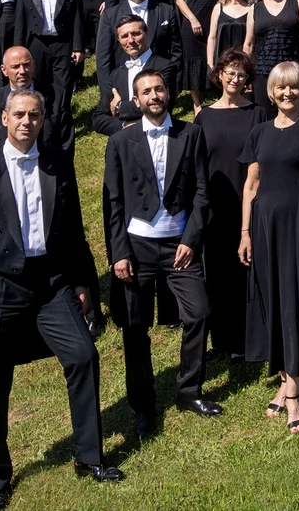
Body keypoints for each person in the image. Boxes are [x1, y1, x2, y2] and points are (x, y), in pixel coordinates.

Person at [0, 90, 120, 504]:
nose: (27, 121)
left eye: (35, 115)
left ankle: (88, 457)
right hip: (1, 291)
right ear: (4, 121)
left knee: (84, 356)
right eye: (20, 115)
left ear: (43, 119)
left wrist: (84, 283)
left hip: (51, 284)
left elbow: (74, 229)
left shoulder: (59, 163)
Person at [103, 69, 220, 438]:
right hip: (136, 248)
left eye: (159, 89)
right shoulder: (120, 142)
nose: (154, 95)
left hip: (178, 245)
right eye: (146, 91)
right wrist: (119, 253)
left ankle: (188, 391)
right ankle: (143, 406)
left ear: (168, 94)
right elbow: (113, 203)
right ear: (135, 101)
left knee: (199, 313)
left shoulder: (191, 134)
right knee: (135, 329)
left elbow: (203, 194)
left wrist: (191, 240)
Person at [239, 62, 299, 433]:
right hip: (263, 227)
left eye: (295, 87)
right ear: (271, 92)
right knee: (272, 300)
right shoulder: (260, 132)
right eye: (281, 88)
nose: (288, 93)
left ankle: (293, 394)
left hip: (297, 226)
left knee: (295, 300)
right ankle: (285, 378)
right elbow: (251, 185)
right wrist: (245, 231)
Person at [195, 51, 265, 358]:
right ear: (219, 74)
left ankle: (248, 341)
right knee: (218, 275)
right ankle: (221, 342)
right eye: (230, 72)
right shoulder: (204, 117)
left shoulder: (258, 113)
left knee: (246, 273)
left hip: (249, 204)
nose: (235, 79)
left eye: (241, 74)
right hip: (215, 208)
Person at [12, 0, 83, 147]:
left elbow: (78, 19)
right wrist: (19, 52)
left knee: (63, 87)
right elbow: (20, 22)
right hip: (36, 44)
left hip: (62, 43)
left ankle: (60, 126)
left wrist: (78, 47)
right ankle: (40, 125)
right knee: (38, 85)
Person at [95, 0, 183, 82]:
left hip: (159, 83)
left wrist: (173, 84)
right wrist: (108, 92)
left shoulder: (166, 11)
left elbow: (176, 51)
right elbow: (103, 57)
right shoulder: (109, 15)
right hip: (122, 84)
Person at [207, 0, 254, 83]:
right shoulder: (219, 8)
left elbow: (251, 42)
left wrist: (245, 66)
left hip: (242, 65)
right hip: (222, 64)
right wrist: (210, 63)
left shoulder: (252, 8)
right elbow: (212, 37)